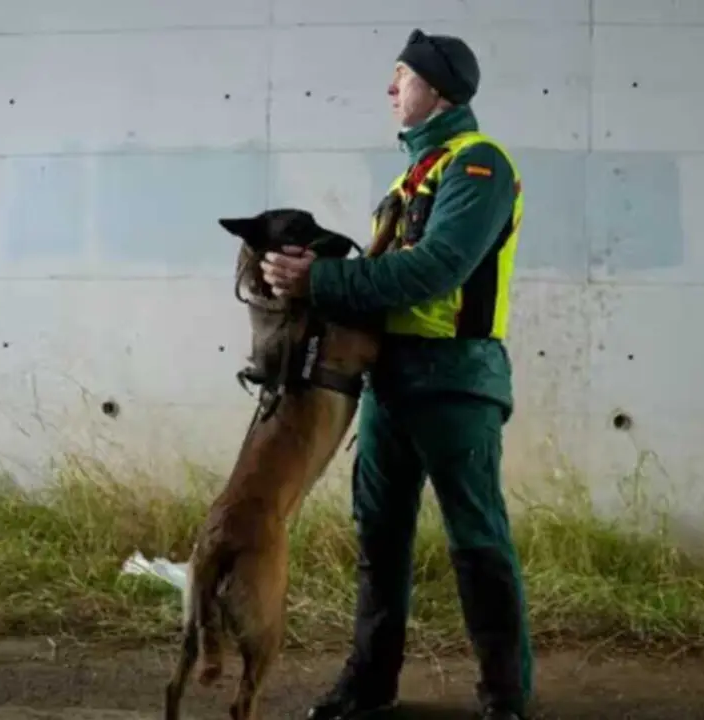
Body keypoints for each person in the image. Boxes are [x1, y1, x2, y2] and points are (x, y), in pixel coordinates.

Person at [258, 28, 534, 720]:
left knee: (477, 538)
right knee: (379, 537)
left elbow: (436, 268)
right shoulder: (408, 178)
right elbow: (378, 282)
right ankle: (371, 684)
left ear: (438, 89)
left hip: (455, 383)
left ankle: (506, 697)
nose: (390, 89)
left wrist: (321, 280)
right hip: (388, 383)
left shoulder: (479, 167)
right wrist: (302, 276)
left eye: (402, 77)